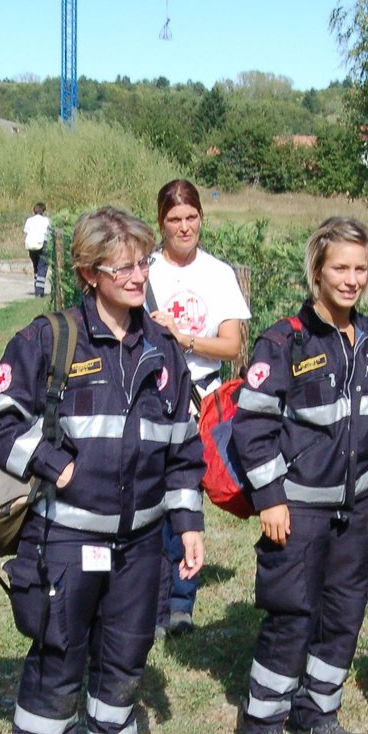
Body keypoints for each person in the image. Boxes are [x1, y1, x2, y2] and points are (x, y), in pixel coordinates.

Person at [0, 206, 206, 734]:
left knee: (126, 654)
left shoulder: (163, 349)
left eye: (142, 262)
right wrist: (55, 465)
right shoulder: (49, 339)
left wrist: (188, 524)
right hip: (69, 538)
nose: (137, 275)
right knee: (60, 653)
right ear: (87, 272)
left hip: (140, 545)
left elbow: (185, 445)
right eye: (123, 265)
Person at [233, 217, 368, 734]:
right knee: (293, 613)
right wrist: (271, 498)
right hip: (299, 507)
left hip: (357, 511)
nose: (351, 280)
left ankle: (318, 711)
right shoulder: (284, 341)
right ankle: (263, 718)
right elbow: (251, 427)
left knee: (344, 612)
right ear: (317, 271)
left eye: (361, 268)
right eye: (340, 268)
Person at [146, 178, 251, 638]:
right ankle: (152, 597)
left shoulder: (218, 274)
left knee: (186, 497)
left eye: (191, 218)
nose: (184, 227)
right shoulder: (144, 271)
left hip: (201, 401)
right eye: (174, 219)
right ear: (161, 223)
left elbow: (232, 346)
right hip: (150, 397)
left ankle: (180, 603)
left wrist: (182, 338)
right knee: (154, 499)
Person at [24, 202, 51, 297]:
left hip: (32, 246)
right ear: (43, 210)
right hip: (43, 244)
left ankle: (37, 288)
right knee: (42, 268)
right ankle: (39, 292)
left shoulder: (29, 220)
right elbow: (50, 232)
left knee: (36, 268)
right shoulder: (46, 220)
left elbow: (26, 231)